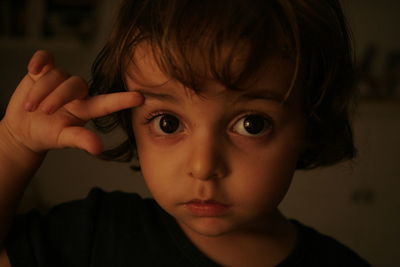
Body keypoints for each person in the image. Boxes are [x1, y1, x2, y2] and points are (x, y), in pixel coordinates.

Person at [0, 0, 371, 266]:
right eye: (168, 123)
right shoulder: (95, 234)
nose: (203, 166)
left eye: (251, 124)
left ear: (310, 124)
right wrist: (14, 148)